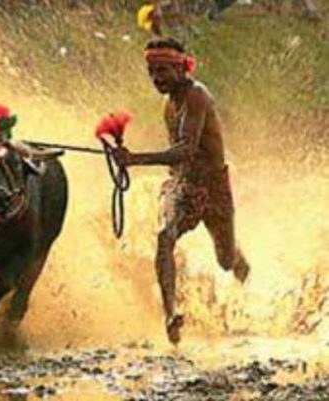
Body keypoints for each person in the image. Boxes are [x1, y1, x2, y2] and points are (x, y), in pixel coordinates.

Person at [112, 37, 251, 344]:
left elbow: (186, 149)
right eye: (151, 71)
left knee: (226, 260)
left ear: (180, 67)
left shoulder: (197, 96)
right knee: (165, 236)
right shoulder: (168, 105)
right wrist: (131, 161)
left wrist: (135, 159)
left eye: (162, 70)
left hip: (214, 186)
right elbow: (179, 159)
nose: (156, 78)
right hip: (182, 184)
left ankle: (246, 282)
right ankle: (171, 315)